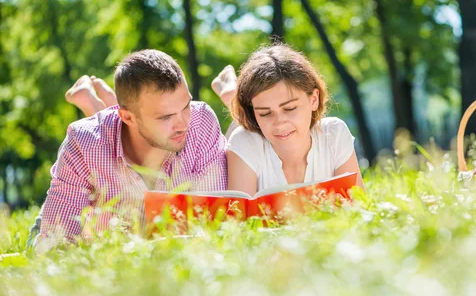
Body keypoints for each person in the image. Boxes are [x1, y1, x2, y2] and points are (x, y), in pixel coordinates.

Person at [29, 49, 227, 252]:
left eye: (186, 106)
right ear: (128, 117)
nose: (183, 124)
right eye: (165, 117)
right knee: (38, 241)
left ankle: (95, 102)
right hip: (97, 238)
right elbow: (55, 242)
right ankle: (94, 104)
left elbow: (216, 223)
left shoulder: (201, 121)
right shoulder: (83, 142)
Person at [226, 44, 364, 195]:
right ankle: (229, 96)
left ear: (313, 99)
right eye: (265, 113)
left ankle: (230, 95)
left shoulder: (334, 134)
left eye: (289, 109)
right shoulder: (244, 141)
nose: (279, 123)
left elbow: (358, 207)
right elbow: (238, 216)